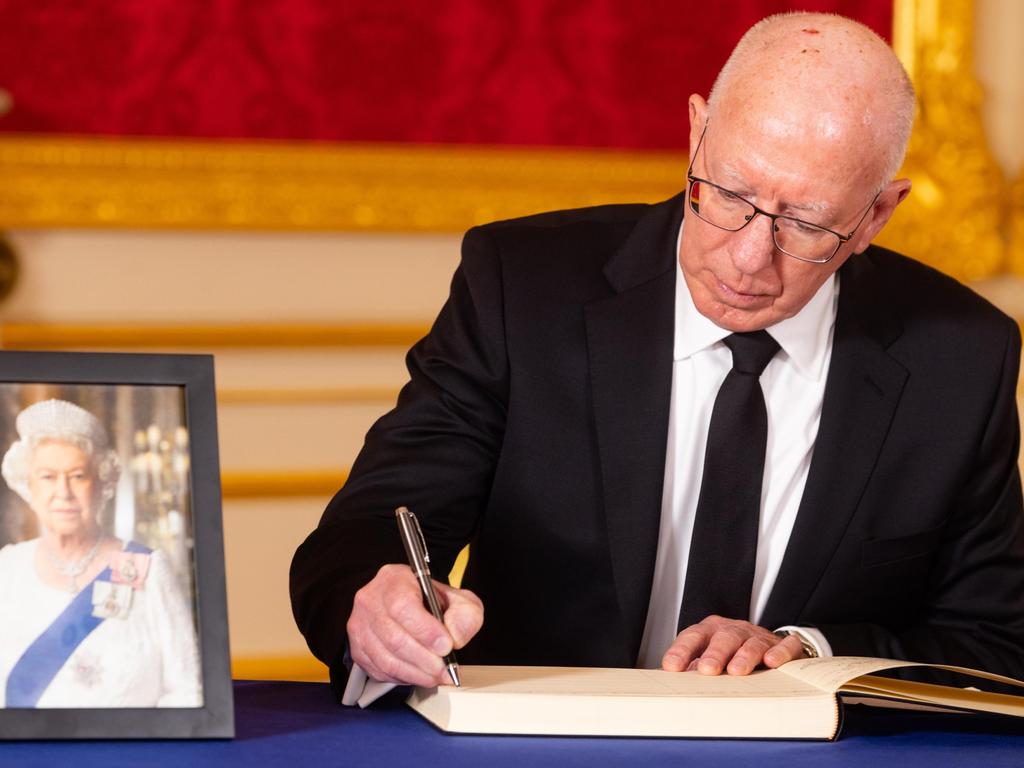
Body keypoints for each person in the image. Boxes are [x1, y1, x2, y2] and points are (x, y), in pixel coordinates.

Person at [291, 12, 1024, 698]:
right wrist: (375, 607)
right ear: (695, 132)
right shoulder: (522, 286)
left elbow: (994, 643)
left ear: (875, 217)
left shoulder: (960, 357)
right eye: (729, 192)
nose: (745, 260)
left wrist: (811, 651)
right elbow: (358, 542)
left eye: (805, 225)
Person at [0, 399, 202, 708]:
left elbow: (188, 692)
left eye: (78, 475)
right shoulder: (8, 569)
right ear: (29, 487)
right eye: (47, 477)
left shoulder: (147, 569)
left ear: (102, 483)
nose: (63, 492)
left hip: (130, 754)